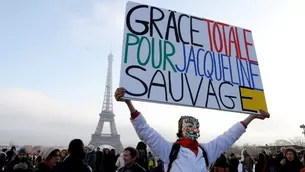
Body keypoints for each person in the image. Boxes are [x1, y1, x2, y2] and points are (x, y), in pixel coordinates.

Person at [114, 87, 270, 172]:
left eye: (195, 126)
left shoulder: (206, 150)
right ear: (180, 130)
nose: (192, 129)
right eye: (188, 126)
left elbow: (229, 136)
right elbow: (146, 132)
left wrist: (252, 117)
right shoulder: (169, 149)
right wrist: (129, 103)